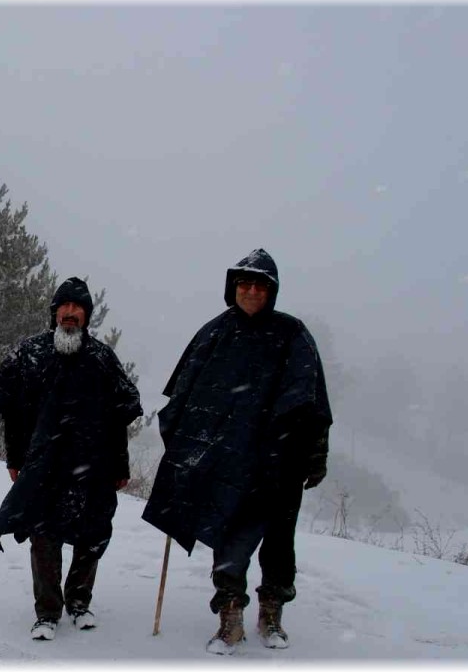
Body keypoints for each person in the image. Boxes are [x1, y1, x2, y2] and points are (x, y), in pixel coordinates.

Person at [142, 248, 332, 655]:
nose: (250, 291)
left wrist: (316, 451)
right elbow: (185, 395)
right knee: (230, 536)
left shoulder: (292, 334)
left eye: (259, 285)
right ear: (233, 288)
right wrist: (182, 444)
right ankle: (229, 616)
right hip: (228, 460)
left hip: (281, 460)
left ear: (271, 291)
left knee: (279, 542)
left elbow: (313, 401)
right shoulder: (215, 333)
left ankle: (272, 611)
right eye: (243, 284)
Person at [0, 277, 143, 641]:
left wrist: (120, 466)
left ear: (87, 315)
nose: (70, 313)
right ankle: (47, 612)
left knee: (91, 536)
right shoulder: (28, 354)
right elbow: (12, 413)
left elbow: (118, 416)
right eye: (65, 306)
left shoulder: (103, 359)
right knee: (44, 537)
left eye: (78, 308)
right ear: (54, 312)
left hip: (94, 465)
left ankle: (78, 602)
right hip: (43, 465)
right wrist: (15, 459)